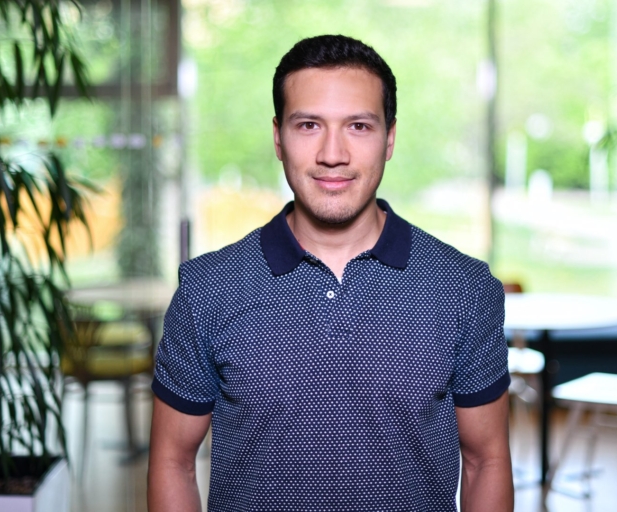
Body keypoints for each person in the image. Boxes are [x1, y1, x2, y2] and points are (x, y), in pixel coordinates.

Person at [147, 34, 512, 512]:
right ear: (278, 138)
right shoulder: (207, 290)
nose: (333, 153)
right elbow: (172, 461)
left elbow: (486, 461)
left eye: (358, 126)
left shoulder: (464, 288)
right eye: (308, 125)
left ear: (389, 138)